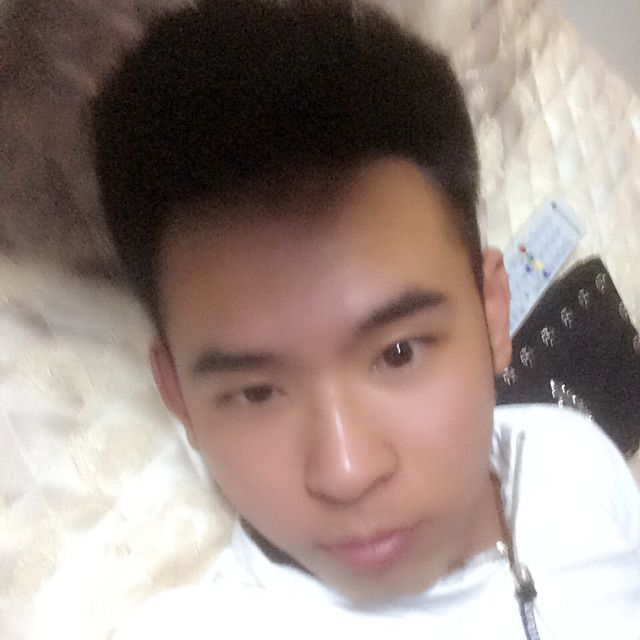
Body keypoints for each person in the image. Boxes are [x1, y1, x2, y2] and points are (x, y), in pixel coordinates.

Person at [91, 0, 640, 637]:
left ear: (494, 313)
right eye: (257, 392)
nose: (346, 473)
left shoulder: (570, 452)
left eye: (399, 352)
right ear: (177, 395)